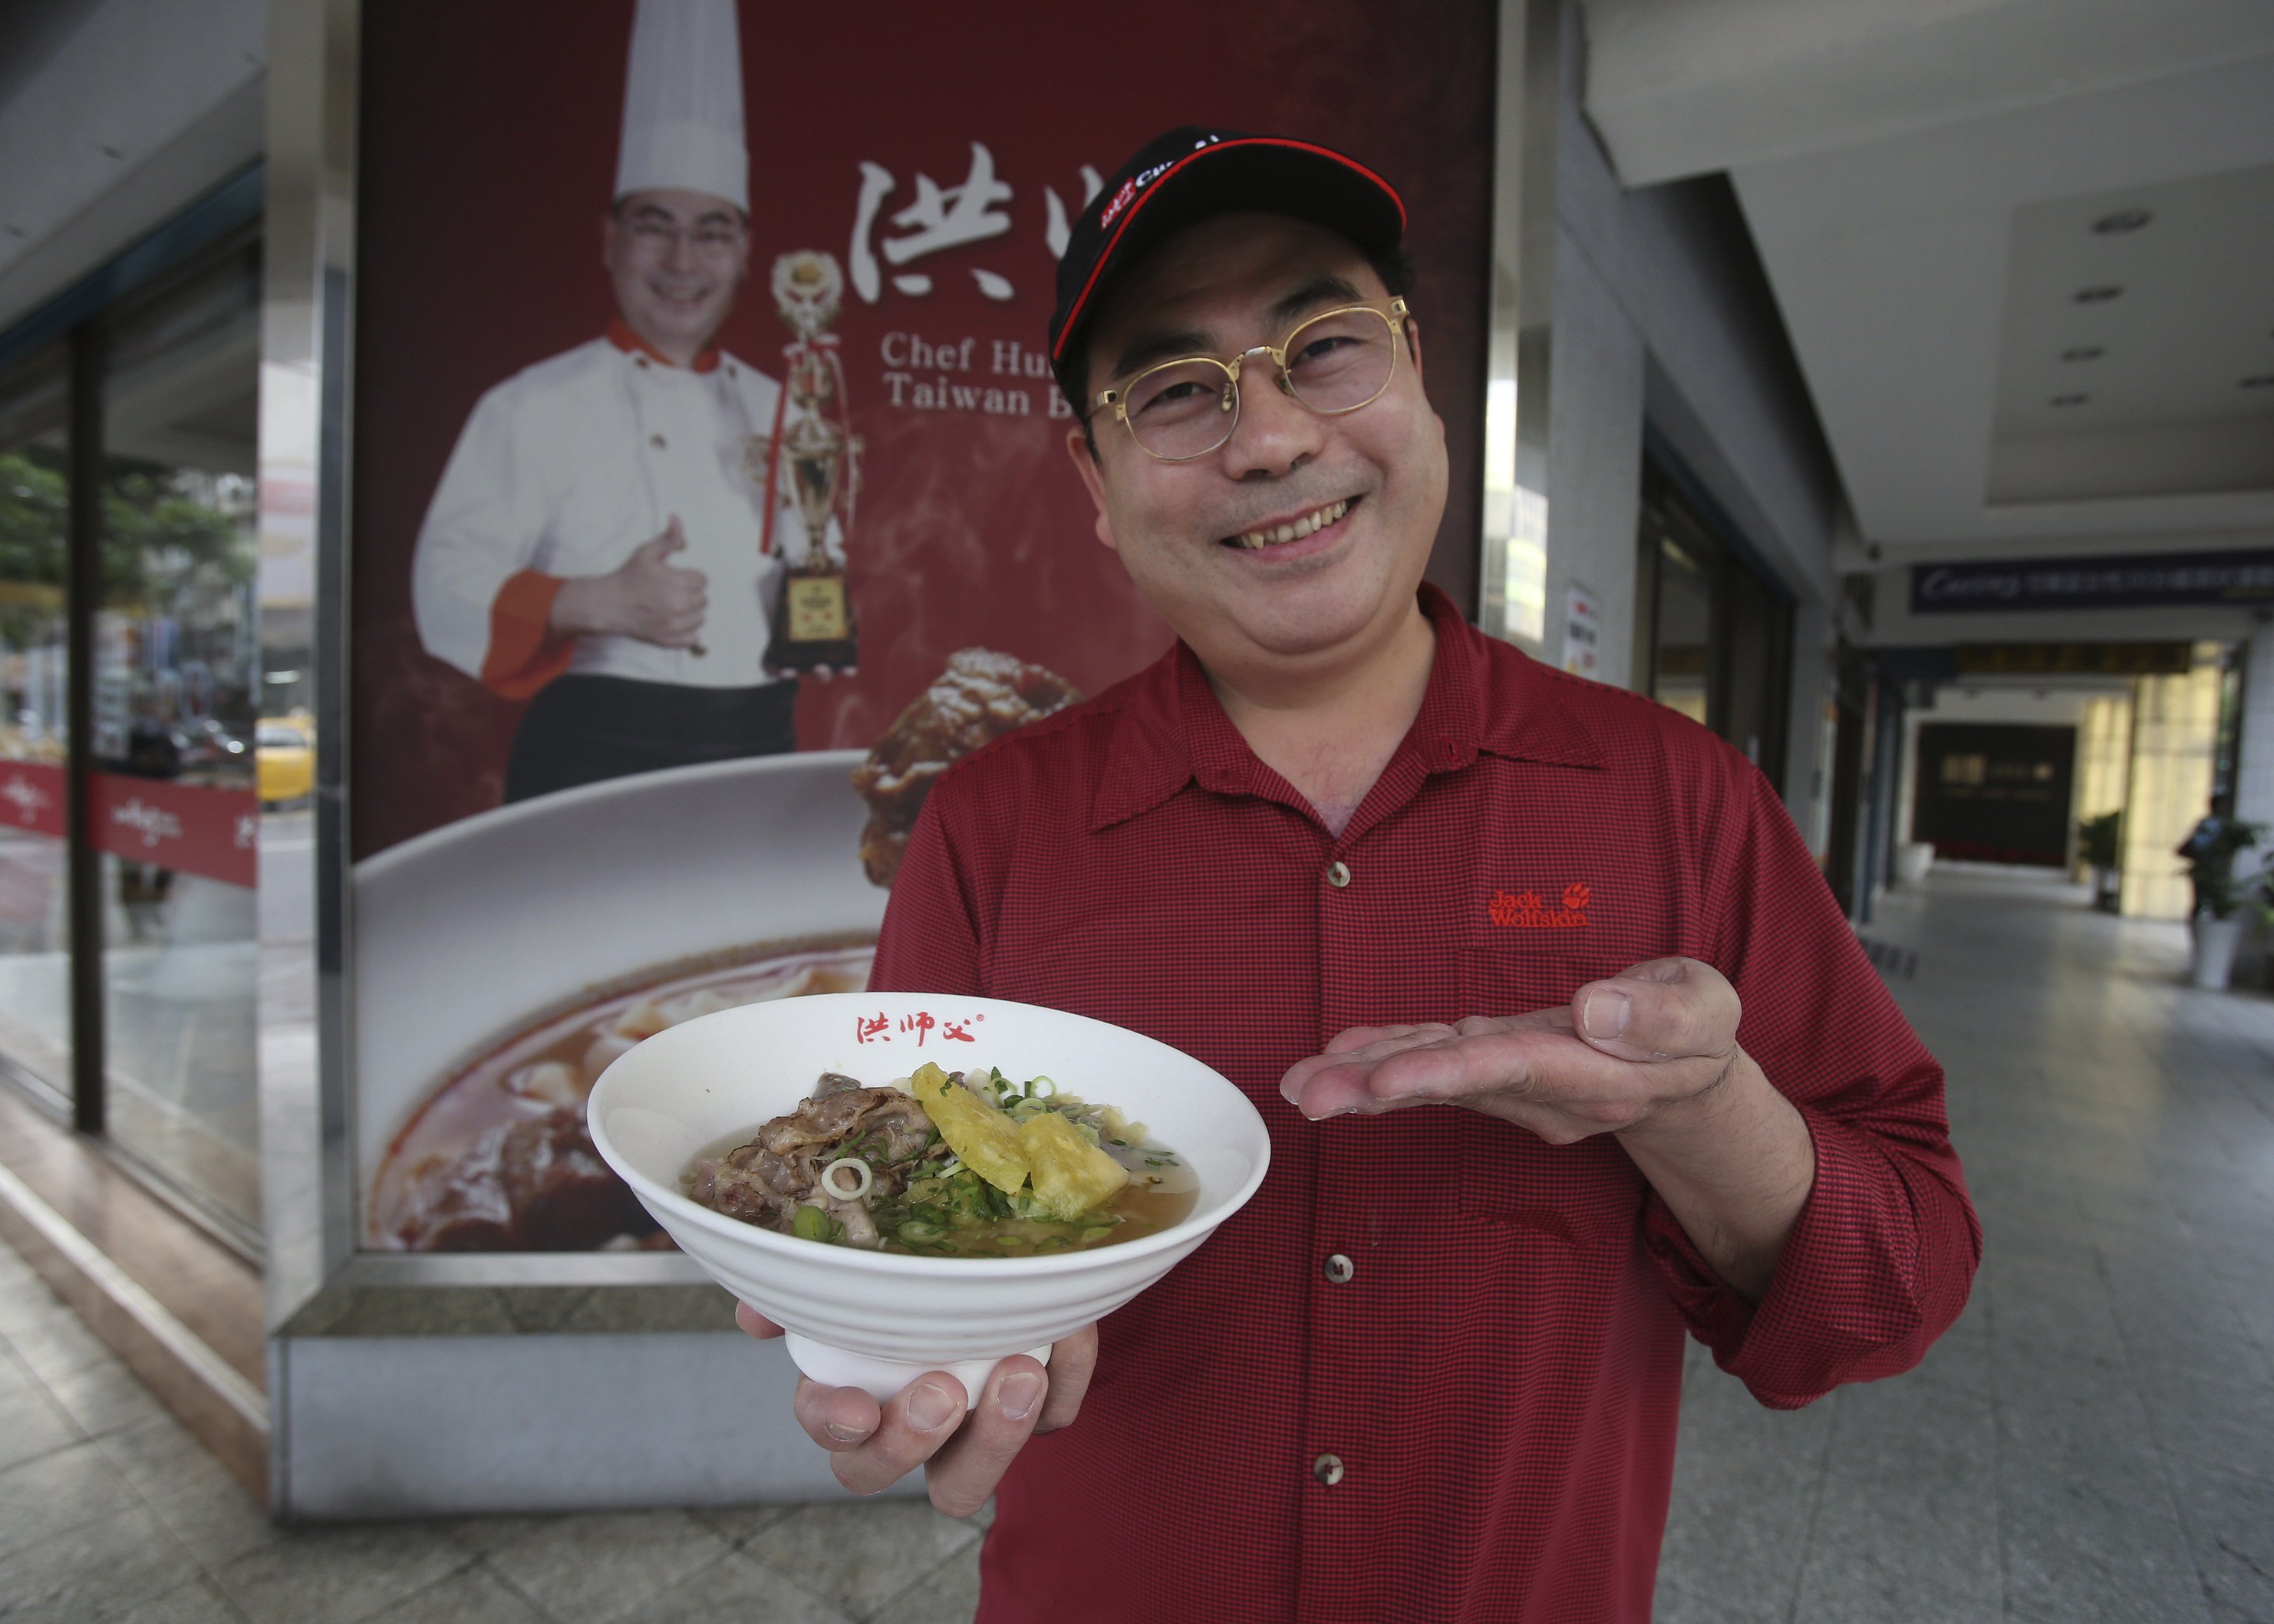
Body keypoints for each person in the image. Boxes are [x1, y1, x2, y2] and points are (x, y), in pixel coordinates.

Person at [737, 128, 1980, 1622]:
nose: (1267, 440)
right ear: (1095, 469)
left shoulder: (1682, 799)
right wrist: (898, 1311)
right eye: (1178, 389)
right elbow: (918, 1179)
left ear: (1417, 381)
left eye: (1324, 347)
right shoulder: (990, 824)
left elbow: (1893, 1287)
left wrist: (1700, 1107)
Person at [411, 0, 835, 803]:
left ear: (744, 253)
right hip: (595, 750)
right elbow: (444, 583)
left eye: (711, 232)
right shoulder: (532, 405)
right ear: (610, 240)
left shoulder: (788, 406)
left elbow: (817, 555)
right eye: (655, 226)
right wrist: (594, 600)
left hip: (759, 741)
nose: (683, 260)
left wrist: (815, 614)